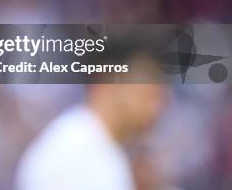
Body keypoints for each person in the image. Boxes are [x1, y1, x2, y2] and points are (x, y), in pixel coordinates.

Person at [15, 51, 169, 190]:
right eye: (146, 94)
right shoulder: (75, 152)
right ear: (107, 83)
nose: (155, 108)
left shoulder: (97, 146)